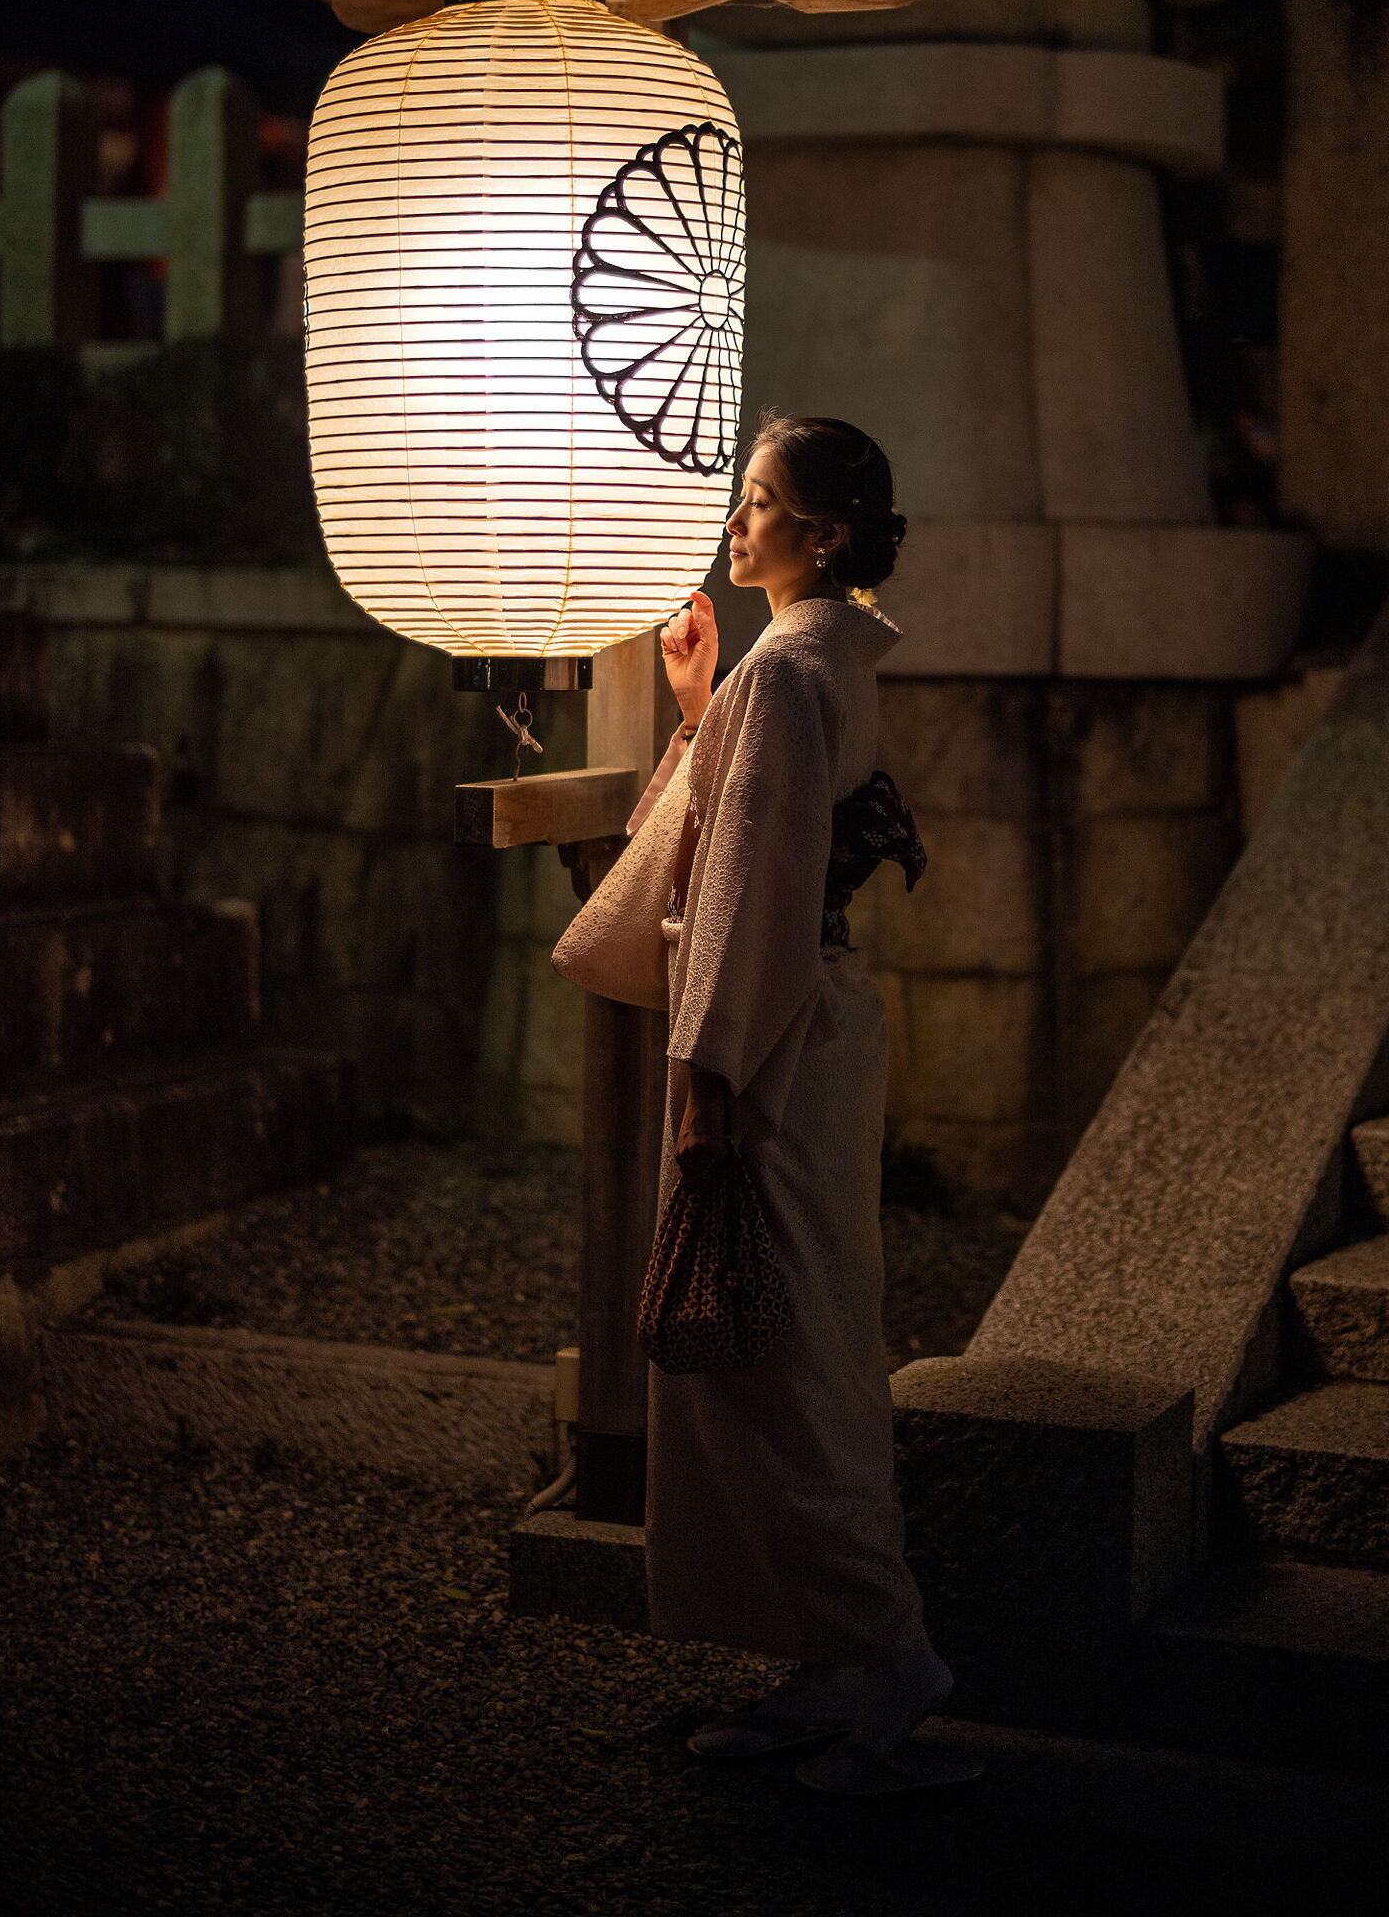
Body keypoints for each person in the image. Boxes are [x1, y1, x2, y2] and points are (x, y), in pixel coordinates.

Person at [553, 413, 980, 1796]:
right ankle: (831, 1657)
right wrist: (697, 709)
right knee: (790, 1345)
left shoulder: (790, 674)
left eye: (759, 502)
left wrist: (708, 1086)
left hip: (767, 1049)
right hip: (803, 1028)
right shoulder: (801, 666)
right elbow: (748, 841)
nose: (735, 523)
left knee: (780, 1361)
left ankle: (880, 1651)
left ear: (827, 534)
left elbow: (745, 893)